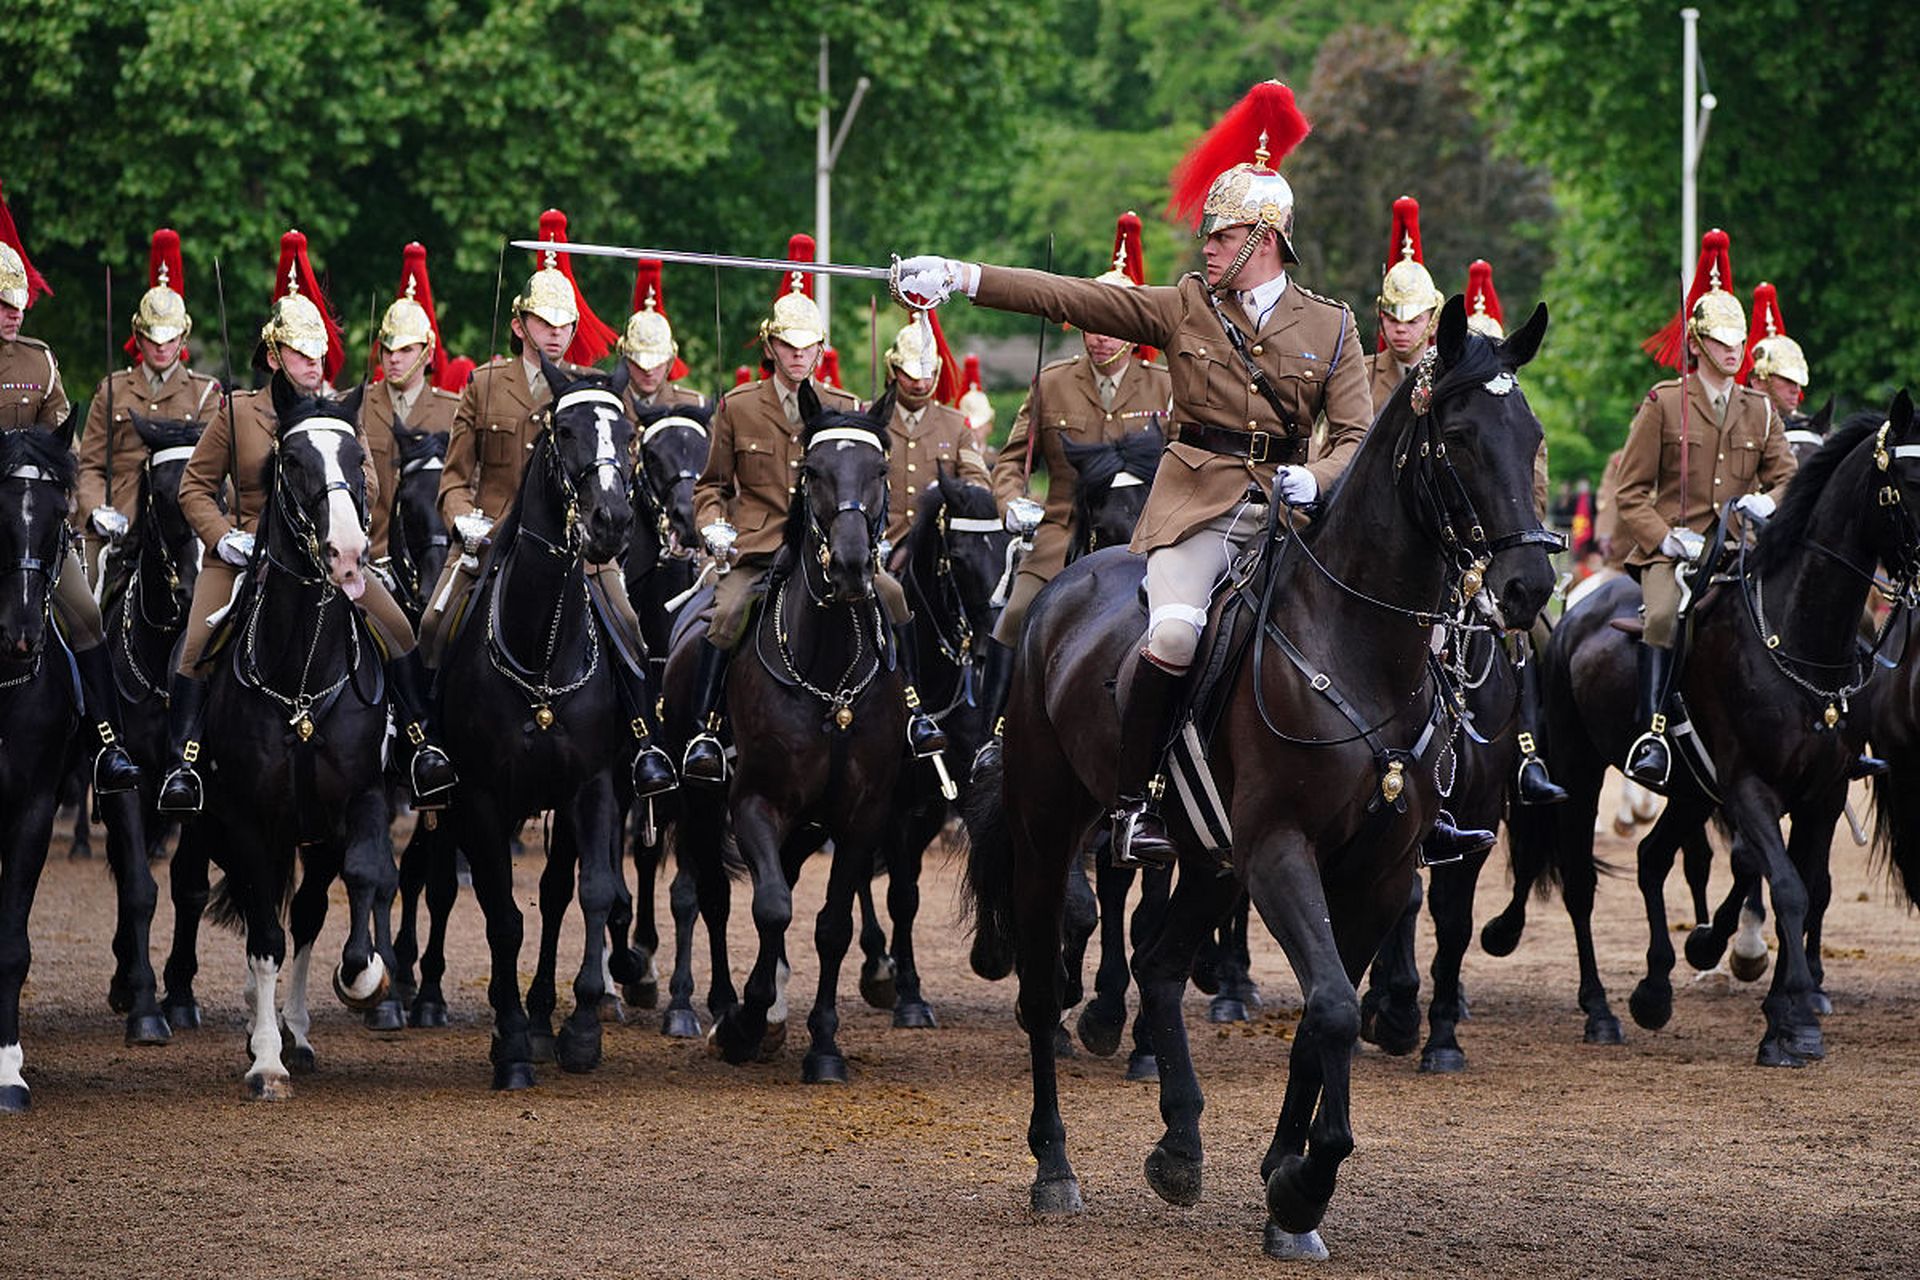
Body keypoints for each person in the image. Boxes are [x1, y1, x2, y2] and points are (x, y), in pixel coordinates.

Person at [894, 81, 1491, 867]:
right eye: (1208, 237)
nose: (1205, 248)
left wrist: (1321, 476)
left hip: (1294, 513)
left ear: (1262, 239)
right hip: (1199, 509)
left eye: (1219, 236)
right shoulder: (1184, 307)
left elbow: (1353, 432)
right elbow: (1071, 297)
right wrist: (966, 278)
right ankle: (1138, 801)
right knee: (1175, 635)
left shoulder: (1333, 323)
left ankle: (1420, 805)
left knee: (1408, 632)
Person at [157, 230, 456, 812]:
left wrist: (343, 518)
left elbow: (368, 481)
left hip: (328, 553)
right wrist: (225, 537)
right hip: (246, 552)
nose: (314, 365)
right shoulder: (239, 412)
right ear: (274, 357)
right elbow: (194, 485)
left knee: (397, 629)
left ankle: (421, 746)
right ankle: (185, 763)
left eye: (319, 354)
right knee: (196, 644)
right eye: (300, 355)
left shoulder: (340, 413)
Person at [429, 229, 675, 797]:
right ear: (520, 326)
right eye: (545, 323)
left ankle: (642, 743)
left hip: (577, 548)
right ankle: (430, 744)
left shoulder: (593, 392)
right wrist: (463, 518)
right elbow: (453, 477)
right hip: (491, 540)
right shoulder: (485, 385)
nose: (557, 334)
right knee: (434, 624)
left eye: (565, 324)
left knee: (630, 628)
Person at [683, 258, 947, 783]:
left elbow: (871, 484)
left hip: (833, 549)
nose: (798, 354)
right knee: (728, 612)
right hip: (759, 545)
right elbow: (711, 485)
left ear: (820, 348)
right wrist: (714, 525)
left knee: (894, 598)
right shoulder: (739, 406)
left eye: (807, 345)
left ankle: (913, 713)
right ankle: (706, 731)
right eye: (788, 344)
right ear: (770, 347)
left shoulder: (844, 407)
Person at [971, 212, 1173, 782]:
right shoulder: (1051, 384)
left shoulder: (1165, 387)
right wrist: (1012, 503)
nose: (1101, 332)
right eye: (1090, 320)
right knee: (1013, 617)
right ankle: (994, 740)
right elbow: (1011, 465)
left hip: (1146, 534)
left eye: (1111, 322)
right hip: (1062, 534)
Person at [1617, 229, 1795, 788]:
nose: (1732, 349)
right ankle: (1653, 732)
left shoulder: (1760, 410)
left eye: (1738, 340)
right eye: (1720, 341)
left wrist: (1765, 500)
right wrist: (1670, 540)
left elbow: (1789, 476)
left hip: (1742, 551)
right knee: (1667, 616)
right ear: (1696, 343)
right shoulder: (1665, 404)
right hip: (1677, 554)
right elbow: (1630, 492)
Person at [0, 232, 140, 793]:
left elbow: (69, 448)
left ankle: (107, 745)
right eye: (3, 305)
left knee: (86, 615)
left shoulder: (40, 360)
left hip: (34, 528)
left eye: (17, 304)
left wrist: (80, 512)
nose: (14, 314)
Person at [1464, 259, 1565, 804]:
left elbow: (1535, 495)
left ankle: (1528, 751)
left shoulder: (1521, 420)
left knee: (1544, 636)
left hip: (1497, 552)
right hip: (1447, 547)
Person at [78, 228, 223, 600]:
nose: (161, 348)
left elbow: (211, 469)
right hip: (119, 524)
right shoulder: (112, 391)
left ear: (183, 339)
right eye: (153, 340)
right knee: (86, 606)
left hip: (182, 524)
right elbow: (91, 466)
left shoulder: (204, 393)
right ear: (138, 337)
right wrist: (96, 511)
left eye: (170, 339)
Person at [356, 243, 459, 594]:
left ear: (427, 354)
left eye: (405, 350)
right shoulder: (355, 407)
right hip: (367, 559)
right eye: (388, 350)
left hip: (435, 563)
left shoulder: (454, 410)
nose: (394, 359)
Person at [1366, 196, 1443, 412]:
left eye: (1413, 321)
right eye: (1391, 319)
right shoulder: (1358, 375)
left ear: (1433, 321)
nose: (1400, 329)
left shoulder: (1452, 376)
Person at [618, 258, 707, 417]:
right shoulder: (611, 403)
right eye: (639, 363)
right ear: (626, 359)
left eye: (657, 363)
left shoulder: (693, 405)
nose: (649, 371)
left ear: (670, 362)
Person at [1745, 282, 1817, 445]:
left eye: (1798, 382)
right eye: (1787, 380)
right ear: (1758, 382)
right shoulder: (1738, 426)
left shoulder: (1806, 430)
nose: (1796, 389)